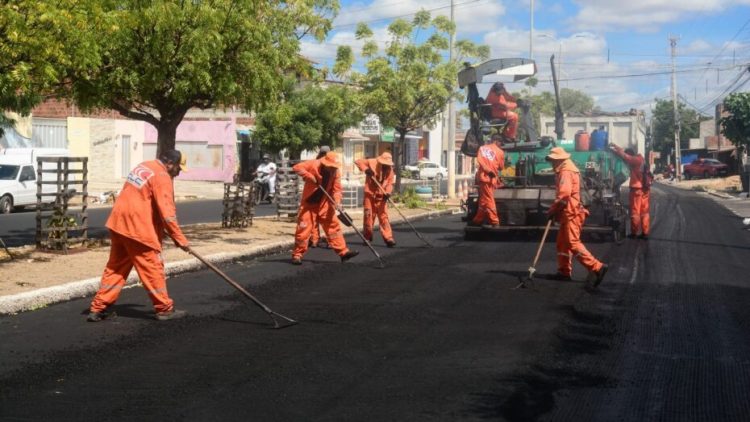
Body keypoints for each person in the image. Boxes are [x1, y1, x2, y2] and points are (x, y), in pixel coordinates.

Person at [87, 150, 190, 322]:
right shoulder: (162, 176)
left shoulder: (143, 166)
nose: (179, 172)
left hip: (119, 223)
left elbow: (142, 198)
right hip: (137, 228)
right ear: (170, 163)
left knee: (116, 268)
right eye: (179, 168)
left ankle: (98, 308)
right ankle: (164, 309)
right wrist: (180, 239)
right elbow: (168, 214)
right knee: (152, 267)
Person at [546, 147, 608, 287]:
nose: (552, 164)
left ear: (559, 159)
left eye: (553, 161)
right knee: (562, 242)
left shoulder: (566, 171)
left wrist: (552, 210)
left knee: (572, 242)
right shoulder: (568, 167)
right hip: (569, 211)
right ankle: (564, 271)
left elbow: (564, 195)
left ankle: (597, 267)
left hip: (572, 212)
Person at [291, 151, 359, 265]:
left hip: (325, 203)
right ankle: (297, 255)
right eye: (331, 167)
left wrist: (337, 202)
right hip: (309, 204)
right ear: (325, 163)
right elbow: (297, 167)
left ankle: (343, 253)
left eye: (334, 167)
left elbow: (337, 189)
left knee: (334, 228)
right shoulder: (314, 164)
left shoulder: (336, 172)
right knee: (303, 229)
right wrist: (310, 176)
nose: (332, 169)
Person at [355, 152, 396, 247]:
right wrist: (366, 169)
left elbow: (390, 183)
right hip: (370, 195)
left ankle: (388, 238)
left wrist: (388, 193)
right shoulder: (372, 162)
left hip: (382, 196)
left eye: (387, 165)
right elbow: (358, 162)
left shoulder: (390, 171)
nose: (386, 166)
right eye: (384, 164)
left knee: (383, 217)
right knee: (368, 216)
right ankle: (367, 237)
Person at [611, 144, 651, 239]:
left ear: (631, 155)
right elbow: (625, 154)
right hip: (645, 189)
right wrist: (616, 146)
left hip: (637, 189)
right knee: (644, 211)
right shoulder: (641, 159)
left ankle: (634, 233)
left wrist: (614, 150)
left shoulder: (635, 160)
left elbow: (625, 156)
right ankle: (645, 233)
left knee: (635, 211)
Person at [471, 134, 505, 228]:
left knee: (483, 199)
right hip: (490, 179)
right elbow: (501, 167)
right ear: (497, 141)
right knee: (489, 199)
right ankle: (495, 221)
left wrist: (487, 170)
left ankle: (478, 220)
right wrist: (490, 171)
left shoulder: (482, 148)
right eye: (500, 143)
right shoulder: (500, 152)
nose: (500, 145)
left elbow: (480, 161)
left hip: (483, 178)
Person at [309, 146, 331, 248]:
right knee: (314, 218)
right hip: (315, 194)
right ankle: (314, 239)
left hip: (325, 196)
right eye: (322, 154)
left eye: (325, 154)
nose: (323, 156)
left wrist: (337, 200)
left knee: (327, 219)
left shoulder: (332, 166)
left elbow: (336, 186)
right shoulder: (314, 164)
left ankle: (329, 240)